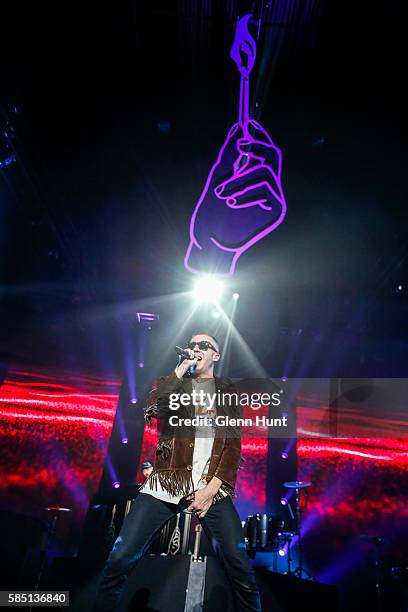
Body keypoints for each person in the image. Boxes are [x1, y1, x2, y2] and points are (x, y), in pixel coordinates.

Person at [93, 333, 261, 611]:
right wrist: (179, 370)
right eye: (193, 345)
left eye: (203, 345)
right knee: (120, 557)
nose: (196, 348)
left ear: (215, 355)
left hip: (211, 487)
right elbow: (151, 410)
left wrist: (211, 489)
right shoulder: (175, 385)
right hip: (166, 482)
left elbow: (232, 447)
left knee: (240, 566)